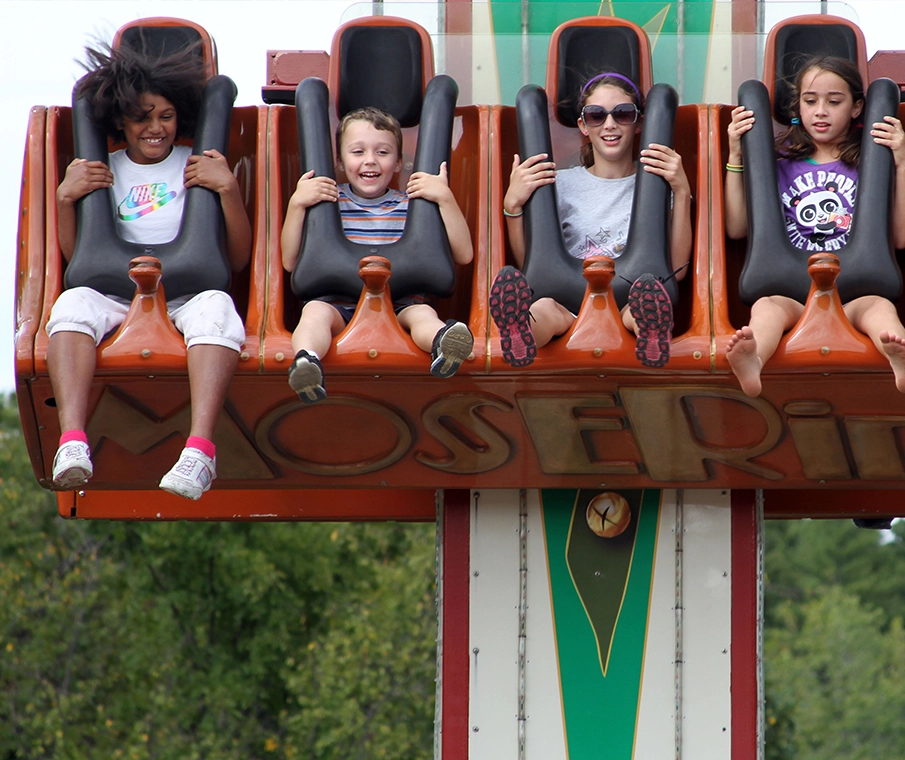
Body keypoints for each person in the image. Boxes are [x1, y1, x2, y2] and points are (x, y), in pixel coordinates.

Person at [48, 42, 253, 500]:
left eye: (166, 116)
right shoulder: (105, 170)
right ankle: (72, 441)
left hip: (185, 293)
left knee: (218, 311)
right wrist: (65, 198)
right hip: (116, 292)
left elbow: (237, 259)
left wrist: (227, 190)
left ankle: (199, 451)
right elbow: (79, 258)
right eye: (142, 118)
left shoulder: (196, 165)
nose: (155, 128)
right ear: (121, 121)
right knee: (71, 307)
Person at [723, 56, 905, 398]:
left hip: (853, 291)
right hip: (792, 292)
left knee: (880, 308)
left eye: (834, 102)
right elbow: (737, 228)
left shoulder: (869, 163)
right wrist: (737, 157)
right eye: (810, 101)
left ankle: (898, 357)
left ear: (857, 107)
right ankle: (754, 361)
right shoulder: (779, 162)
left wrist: (902, 162)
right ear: (797, 106)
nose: (821, 112)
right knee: (766, 308)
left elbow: (902, 237)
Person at [488, 72, 692, 368]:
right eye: (596, 115)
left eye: (623, 114)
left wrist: (681, 190)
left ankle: (651, 333)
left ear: (638, 123)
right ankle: (520, 332)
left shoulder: (658, 186)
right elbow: (531, 263)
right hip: (566, 301)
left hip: (630, 298)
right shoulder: (559, 183)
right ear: (583, 125)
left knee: (639, 308)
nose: (610, 124)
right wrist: (513, 204)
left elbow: (677, 268)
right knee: (544, 309)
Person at [280, 106, 475, 402]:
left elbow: (464, 254)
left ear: (398, 163)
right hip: (338, 305)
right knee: (314, 313)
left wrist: (444, 198)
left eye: (382, 152)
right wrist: (297, 204)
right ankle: (307, 361)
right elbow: (290, 261)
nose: (370, 160)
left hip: (400, 302)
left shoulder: (413, 206)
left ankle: (444, 344)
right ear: (339, 161)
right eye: (357, 152)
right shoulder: (325, 202)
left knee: (423, 314)